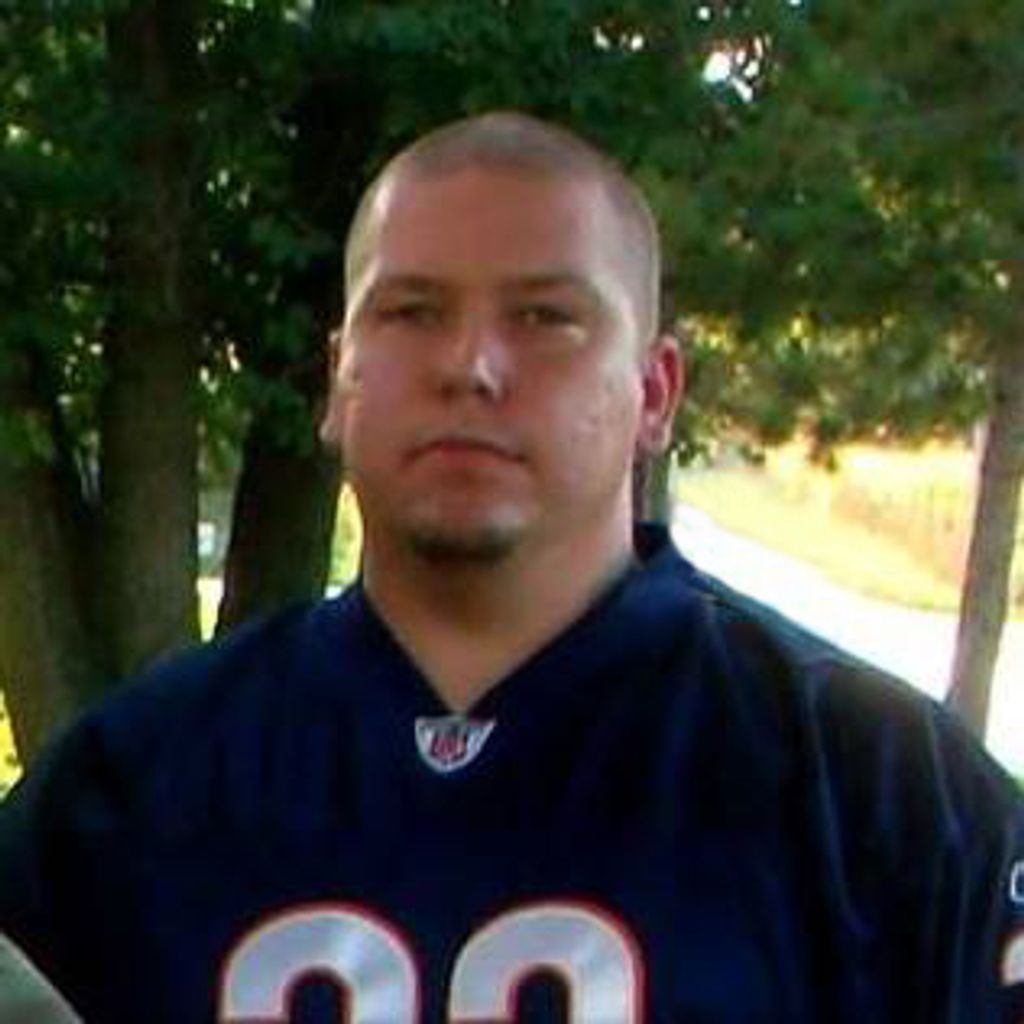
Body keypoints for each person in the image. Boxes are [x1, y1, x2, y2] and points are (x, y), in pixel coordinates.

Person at [0, 110, 1021, 1024]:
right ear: (338, 378)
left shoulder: (880, 791)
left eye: (544, 317)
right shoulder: (126, 790)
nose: (470, 366)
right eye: (411, 312)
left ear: (656, 392)